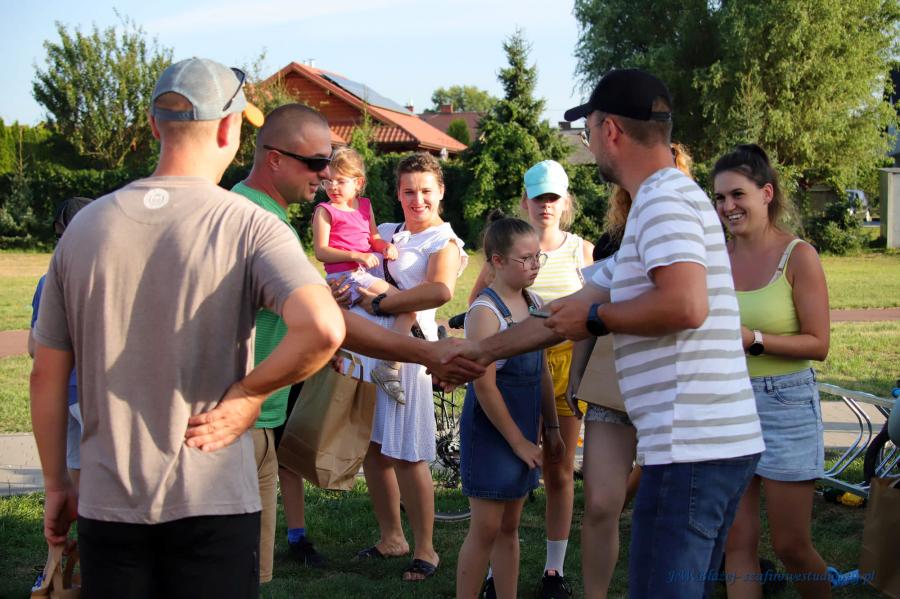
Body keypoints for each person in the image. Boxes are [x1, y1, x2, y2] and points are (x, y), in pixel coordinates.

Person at [29, 58, 346, 598]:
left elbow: (46, 374)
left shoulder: (85, 227)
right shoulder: (249, 224)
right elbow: (322, 326)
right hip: (214, 496)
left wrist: (57, 483)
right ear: (228, 130)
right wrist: (249, 394)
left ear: (155, 126)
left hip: (109, 503)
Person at [446, 68, 765, 598]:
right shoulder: (657, 205)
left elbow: (684, 304)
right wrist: (477, 353)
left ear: (610, 129)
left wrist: (597, 320)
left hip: (691, 448)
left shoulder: (663, 201)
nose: (588, 142)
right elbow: (565, 312)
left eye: (588, 129)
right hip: (701, 447)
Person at [567, 143, 694, 598]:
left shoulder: (695, 236)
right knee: (602, 503)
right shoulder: (612, 242)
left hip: (673, 387)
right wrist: (576, 375)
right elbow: (586, 312)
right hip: (613, 382)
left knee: (669, 507)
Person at [468, 160, 593, 598]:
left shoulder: (579, 253)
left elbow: (594, 316)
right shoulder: (501, 258)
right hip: (509, 383)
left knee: (556, 472)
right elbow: (481, 325)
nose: (546, 205)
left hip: (557, 374)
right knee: (499, 496)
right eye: (539, 197)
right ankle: (492, 577)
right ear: (526, 200)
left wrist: (554, 423)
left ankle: (551, 571)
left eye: (553, 197)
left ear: (565, 200)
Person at [713, 144, 831, 598]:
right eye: (719, 197)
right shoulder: (715, 258)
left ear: (766, 193)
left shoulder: (798, 256)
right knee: (736, 543)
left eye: (737, 194)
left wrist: (754, 339)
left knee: (790, 545)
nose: (727, 206)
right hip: (729, 403)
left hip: (786, 403)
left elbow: (818, 343)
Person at [344, 152, 468, 582]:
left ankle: (426, 549)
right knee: (375, 450)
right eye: (409, 191)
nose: (418, 200)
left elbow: (439, 291)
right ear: (397, 193)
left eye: (426, 191)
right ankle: (391, 537)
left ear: (441, 192)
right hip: (369, 349)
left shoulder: (444, 241)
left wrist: (380, 302)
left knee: (408, 453)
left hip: (410, 353)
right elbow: (351, 269)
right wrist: (348, 290)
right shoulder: (383, 232)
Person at [231, 103, 336, 581]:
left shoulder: (258, 213)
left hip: (258, 419)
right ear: (274, 158)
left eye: (327, 160)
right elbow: (322, 324)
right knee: (234, 575)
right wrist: (424, 353)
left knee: (251, 574)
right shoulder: (259, 222)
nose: (325, 173)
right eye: (315, 162)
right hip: (239, 423)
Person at [456, 216, 564, 599]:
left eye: (538, 257)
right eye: (526, 259)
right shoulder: (485, 312)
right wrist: (518, 442)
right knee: (485, 528)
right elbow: (484, 387)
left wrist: (551, 428)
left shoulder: (535, 304)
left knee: (509, 527)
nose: (535, 265)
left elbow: (542, 371)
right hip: (491, 432)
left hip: (525, 429)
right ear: (498, 261)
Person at [312, 146, 414, 404]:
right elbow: (321, 251)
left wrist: (385, 246)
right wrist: (356, 256)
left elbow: (373, 237)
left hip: (363, 272)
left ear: (358, 183)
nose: (332, 187)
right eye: (328, 181)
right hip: (346, 277)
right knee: (407, 306)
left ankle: (404, 350)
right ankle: (389, 367)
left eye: (340, 181)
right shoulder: (325, 210)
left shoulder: (364, 206)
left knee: (401, 307)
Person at [28, 197, 92, 495]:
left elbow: (34, 348)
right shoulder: (108, 277)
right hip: (96, 392)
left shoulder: (47, 280)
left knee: (75, 467)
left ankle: (73, 524)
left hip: (63, 394)